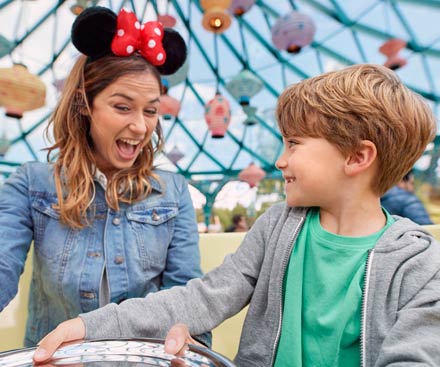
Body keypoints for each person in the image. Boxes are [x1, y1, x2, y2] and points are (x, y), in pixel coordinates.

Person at [34, 64, 440, 367]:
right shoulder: (279, 225)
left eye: (294, 143)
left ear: (357, 157)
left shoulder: (419, 265)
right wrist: (92, 325)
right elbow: (204, 297)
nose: (280, 161)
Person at [0, 6, 207, 347]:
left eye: (151, 110)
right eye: (122, 107)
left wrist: (186, 334)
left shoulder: (173, 192)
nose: (140, 127)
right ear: (84, 104)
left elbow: (183, 297)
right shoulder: (30, 185)